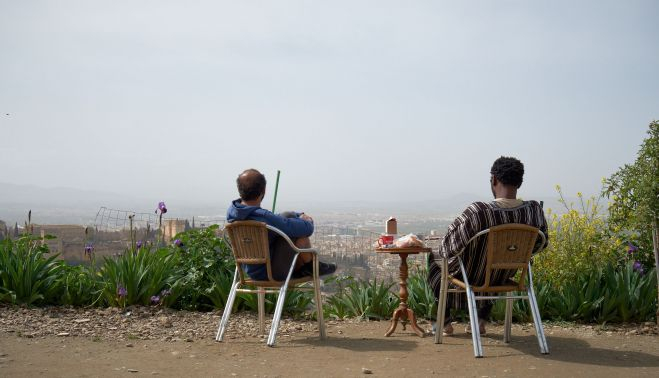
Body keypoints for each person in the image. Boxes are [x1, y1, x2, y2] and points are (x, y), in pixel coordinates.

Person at [427, 156, 549, 336]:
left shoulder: (479, 212)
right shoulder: (534, 211)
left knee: (435, 261)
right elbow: (541, 244)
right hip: (503, 276)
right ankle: (479, 320)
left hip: (470, 277)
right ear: (520, 182)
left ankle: (444, 322)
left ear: (494, 180)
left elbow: (447, 248)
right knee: (494, 269)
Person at [226, 168, 336, 281]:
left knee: (287, 215)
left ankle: (309, 266)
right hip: (271, 273)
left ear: (240, 191)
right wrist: (307, 220)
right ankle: (312, 266)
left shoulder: (232, 214)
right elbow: (307, 229)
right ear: (263, 191)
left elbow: (277, 219)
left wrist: (297, 215)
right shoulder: (264, 217)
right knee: (299, 235)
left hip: (249, 271)